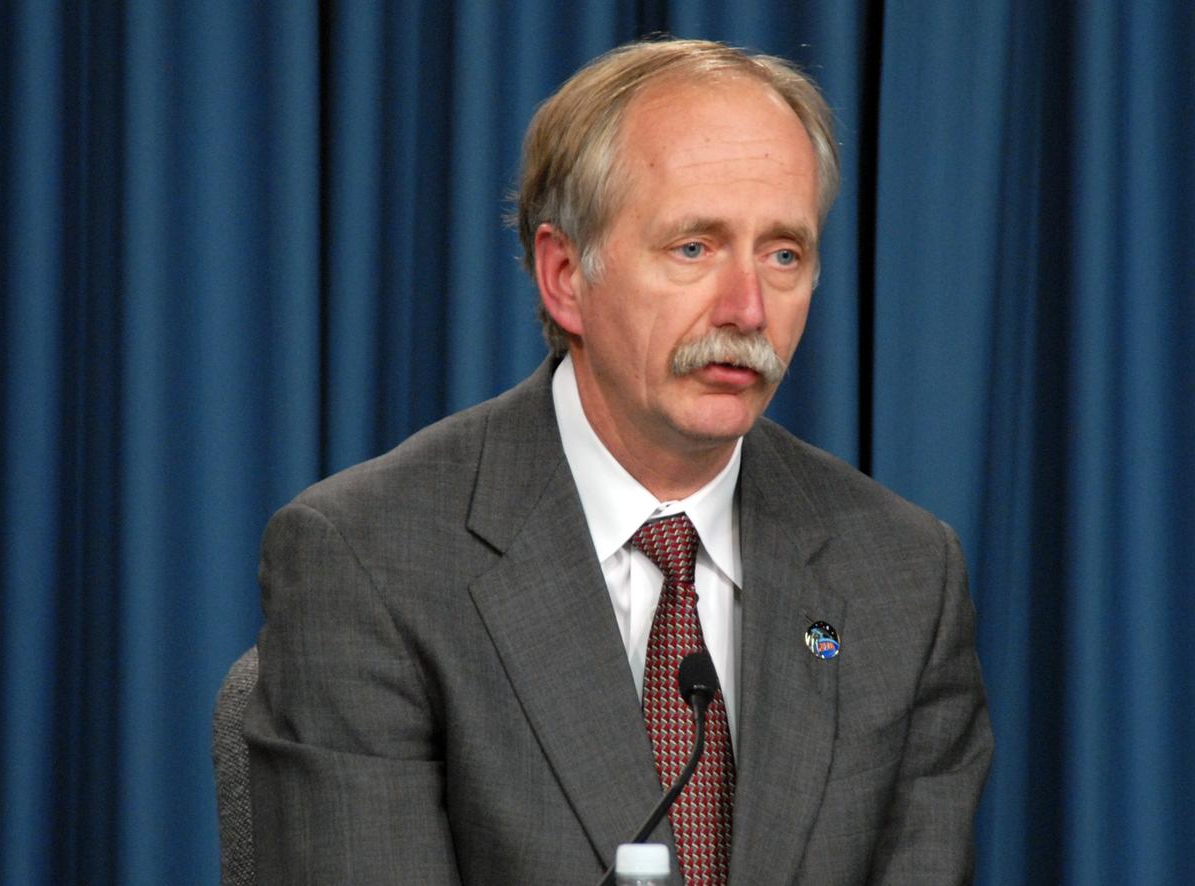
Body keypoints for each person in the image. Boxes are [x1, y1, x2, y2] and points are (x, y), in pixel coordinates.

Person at [244, 38, 992, 885]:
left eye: (783, 253)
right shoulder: (371, 560)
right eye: (694, 248)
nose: (747, 307)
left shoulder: (901, 575)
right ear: (564, 275)